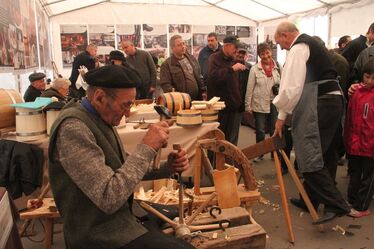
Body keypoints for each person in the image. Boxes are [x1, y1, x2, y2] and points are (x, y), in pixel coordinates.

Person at [48, 65, 193, 249]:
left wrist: (167, 167)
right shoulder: (73, 129)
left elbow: (122, 167)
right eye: (126, 104)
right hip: (98, 233)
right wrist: (147, 147)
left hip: (119, 216)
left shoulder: (99, 118)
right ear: (99, 97)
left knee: (179, 213)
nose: (129, 112)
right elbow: (109, 197)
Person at [272, 22, 350, 225]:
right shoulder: (311, 45)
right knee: (325, 153)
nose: (280, 47)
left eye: (279, 42)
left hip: (320, 103)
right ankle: (310, 201)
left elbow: (291, 89)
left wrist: (281, 117)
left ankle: (336, 204)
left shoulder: (298, 48)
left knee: (308, 157)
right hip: (333, 101)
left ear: (286, 35)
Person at [344, 59, 374, 218]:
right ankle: (352, 200)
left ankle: (362, 206)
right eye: (367, 76)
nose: (369, 81)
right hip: (355, 143)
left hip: (370, 144)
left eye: (373, 78)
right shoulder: (356, 91)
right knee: (354, 173)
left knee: (367, 177)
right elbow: (350, 117)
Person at [245, 42, 281, 162]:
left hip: (274, 102)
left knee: (273, 129)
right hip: (259, 103)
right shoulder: (255, 69)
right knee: (260, 130)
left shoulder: (278, 67)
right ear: (259, 56)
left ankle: (274, 153)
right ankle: (259, 153)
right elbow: (250, 88)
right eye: (262, 54)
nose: (265, 56)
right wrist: (247, 105)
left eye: (267, 52)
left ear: (271, 52)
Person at [207, 35, 246, 145]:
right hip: (221, 109)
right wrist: (231, 69)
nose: (237, 51)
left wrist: (240, 102)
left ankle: (229, 161)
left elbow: (238, 83)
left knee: (231, 141)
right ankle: (216, 162)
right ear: (227, 46)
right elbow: (212, 78)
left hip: (234, 107)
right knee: (219, 139)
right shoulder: (214, 58)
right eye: (235, 48)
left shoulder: (233, 59)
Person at [160, 35, 206, 101]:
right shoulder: (167, 65)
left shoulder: (192, 58)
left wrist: (203, 91)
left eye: (183, 43)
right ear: (173, 48)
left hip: (197, 99)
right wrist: (176, 97)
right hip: (181, 102)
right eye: (179, 45)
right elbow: (166, 85)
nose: (183, 46)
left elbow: (199, 75)